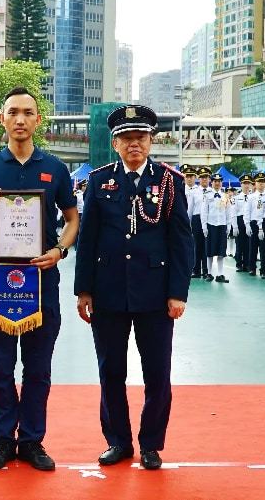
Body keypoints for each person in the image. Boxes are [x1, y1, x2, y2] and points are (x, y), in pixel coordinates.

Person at [0, 86, 79, 471]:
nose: (20, 119)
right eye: (12, 112)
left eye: (27, 113)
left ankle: (31, 441)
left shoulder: (56, 168)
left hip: (42, 277)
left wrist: (59, 251)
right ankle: (1, 441)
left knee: (38, 367)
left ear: (38, 120)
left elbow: (72, 218)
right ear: (3, 118)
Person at [75, 104, 194, 470]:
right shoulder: (99, 180)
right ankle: (118, 441)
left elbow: (182, 240)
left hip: (156, 294)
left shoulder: (170, 181)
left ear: (151, 140)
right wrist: (84, 290)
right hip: (109, 291)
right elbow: (88, 238)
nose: (134, 144)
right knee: (111, 371)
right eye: (126, 138)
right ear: (115, 143)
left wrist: (178, 292)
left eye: (140, 137)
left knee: (157, 372)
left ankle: (151, 444)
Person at [203, 174, 233, 283]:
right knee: (210, 251)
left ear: (221, 183)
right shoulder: (207, 195)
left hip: (222, 225)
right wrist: (204, 226)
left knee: (221, 252)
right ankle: (209, 273)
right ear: (212, 182)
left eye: (219, 181)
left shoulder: (225, 196)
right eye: (215, 181)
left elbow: (228, 212)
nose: (217, 183)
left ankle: (220, 274)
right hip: (211, 225)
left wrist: (229, 226)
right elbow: (204, 212)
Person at [233, 175, 252, 273]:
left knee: (249, 244)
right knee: (239, 244)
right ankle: (239, 264)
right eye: (244, 183)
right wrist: (235, 226)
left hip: (249, 221)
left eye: (248, 183)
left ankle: (247, 264)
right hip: (240, 220)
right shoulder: (236, 198)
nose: (246, 185)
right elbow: (233, 212)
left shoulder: (253, 197)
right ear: (241, 184)